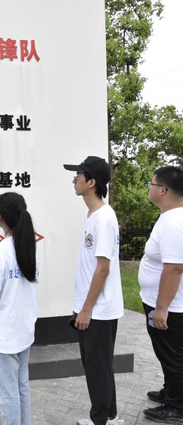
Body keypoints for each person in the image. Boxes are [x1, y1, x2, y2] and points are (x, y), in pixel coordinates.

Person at [63, 156, 124, 425]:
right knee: (99, 365)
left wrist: (86, 309)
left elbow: (103, 269)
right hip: (91, 306)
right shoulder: (91, 215)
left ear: (91, 182)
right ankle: (110, 417)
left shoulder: (104, 219)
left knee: (97, 367)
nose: (74, 181)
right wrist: (81, 305)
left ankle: (100, 420)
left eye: (77, 176)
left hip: (98, 309)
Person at [0, 192, 38, 425]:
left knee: (8, 393)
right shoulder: (29, 248)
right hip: (24, 330)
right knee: (21, 387)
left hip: (5, 334)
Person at [138, 166, 183, 423]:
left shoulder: (175, 222)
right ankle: (171, 392)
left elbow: (174, 268)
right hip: (164, 303)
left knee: (174, 356)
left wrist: (162, 308)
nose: (149, 188)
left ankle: (177, 407)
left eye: (151, 184)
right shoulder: (170, 217)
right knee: (167, 354)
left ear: (163, 190)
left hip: (171, 307)